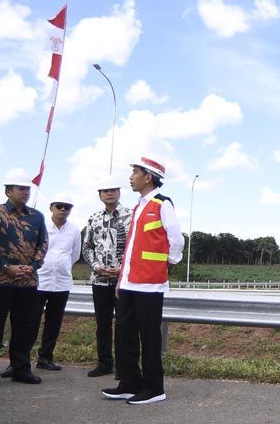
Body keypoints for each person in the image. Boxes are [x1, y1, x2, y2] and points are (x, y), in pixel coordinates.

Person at [102, 156, 183, 405]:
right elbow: (131, 249)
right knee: (124, 335)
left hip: (150, 284)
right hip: (129, 283)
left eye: (135, 172)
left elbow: (176, 240)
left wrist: (165, 264)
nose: (131, 177)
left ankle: (154, 388)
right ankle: (130, 383)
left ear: (148, 177)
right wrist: (121, 279)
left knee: (149, 338)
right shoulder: (138, 207)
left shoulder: (162, 204)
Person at [0, 174, 48, 390]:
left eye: (27, 189)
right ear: (8, 191)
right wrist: (6, 266)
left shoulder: (37, 216)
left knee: (23, 328)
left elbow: (43, 244)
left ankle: (21, 369)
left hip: (27, 282)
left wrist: (32, 266)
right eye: (20, 188)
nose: (25, 192)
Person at [82, 178, 131, 377]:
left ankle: (123, 367)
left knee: (124, 325)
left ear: (119, 192)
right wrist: (96, 267)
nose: (109, 193)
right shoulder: (93, 218)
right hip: (99, 280)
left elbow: (135, 247)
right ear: (100, 195)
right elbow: (87, 247)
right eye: (105, 191)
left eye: (113, 190)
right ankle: (104, 363)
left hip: (123, 281)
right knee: (102, 324)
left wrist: (122, 269)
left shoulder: (131, 216)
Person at [27, 194, 81, 371]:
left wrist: (62, 266)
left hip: (61, 283)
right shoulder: (41, 227)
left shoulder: (74, 230)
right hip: (39, 281)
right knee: (30, 322)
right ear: (51, 207)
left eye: (67, 207)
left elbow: (75, 255)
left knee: (54, 323)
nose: (63, 209)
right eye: (59, 206)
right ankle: (20, 361)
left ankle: (45, 358)